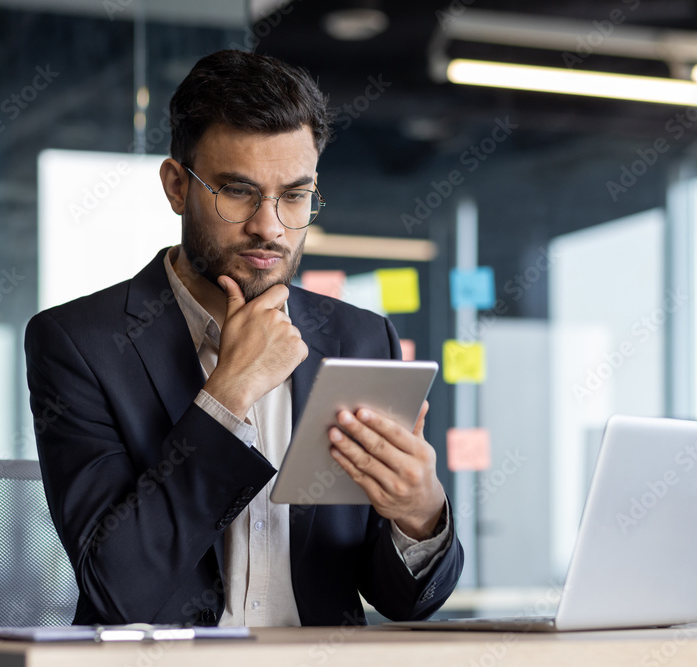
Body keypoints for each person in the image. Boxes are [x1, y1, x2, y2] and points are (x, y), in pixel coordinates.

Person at [24, 49, 463, 627]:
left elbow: (405, 602)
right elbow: (117, 589)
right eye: (237, 191)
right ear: (177, 187)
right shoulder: (80, 343)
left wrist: (419, 515)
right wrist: (230, 390)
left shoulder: (361, 336)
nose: (269, 225)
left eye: (295, 196)